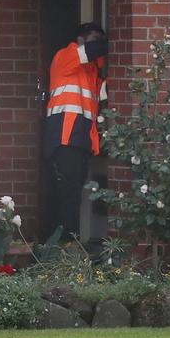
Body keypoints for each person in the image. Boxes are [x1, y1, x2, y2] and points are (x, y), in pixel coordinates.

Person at [42, 22, 108, 242]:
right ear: (80, 40)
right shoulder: (66, 56)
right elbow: (95, 50)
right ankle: (65, 243)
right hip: (65, 137)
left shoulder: (92, 73)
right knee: (67, 194)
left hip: (80, 140)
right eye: (94, 37)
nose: (98, 41)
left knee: (73, 194)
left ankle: (66, 243)